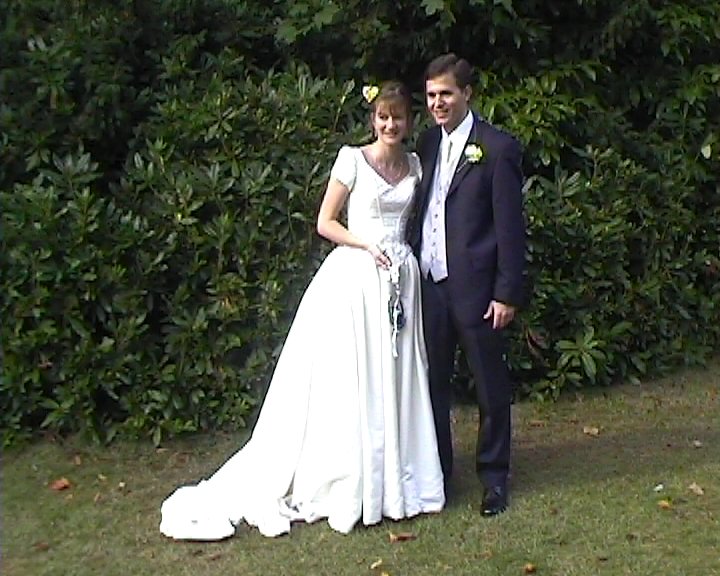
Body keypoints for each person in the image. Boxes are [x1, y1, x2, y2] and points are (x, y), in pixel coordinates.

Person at [159, 81, 445, 540]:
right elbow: (325, 222)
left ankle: (398, 478)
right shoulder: (352, 160)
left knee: (397, 376)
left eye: (398, 117)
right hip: (358, 277)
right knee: (358, 378)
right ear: (372, 119)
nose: (390, 125)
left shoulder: (414, 164)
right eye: (382, 117)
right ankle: (356, 478)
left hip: (400, 281)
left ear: (410, 122)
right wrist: (365, 245)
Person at [407, 54, 526, 516]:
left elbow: (510, 227)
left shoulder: (497, 148)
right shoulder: (426, 143)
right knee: (432, 384)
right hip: (430, 286)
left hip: (478, 291)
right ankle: (438, 472)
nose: (437, 103)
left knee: (489, 388)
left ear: (467, 94)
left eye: (446, 94)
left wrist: (506, 292)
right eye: (431, 95)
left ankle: (494, 478)